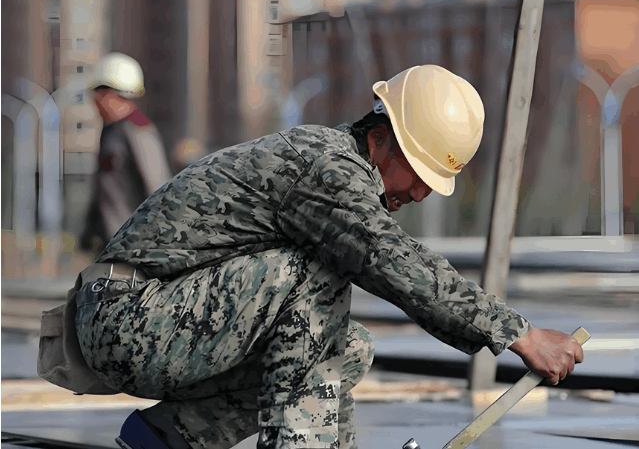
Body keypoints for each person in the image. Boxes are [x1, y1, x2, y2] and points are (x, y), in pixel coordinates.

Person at [40, 65, 583, 449]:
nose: (420, 194)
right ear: (385, 139)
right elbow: (393, 261)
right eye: (421, 174)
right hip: (129, 317)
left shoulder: (336, 167)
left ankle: (172, 435)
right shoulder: (328, 172)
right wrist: (519, 334)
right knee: (317, 274)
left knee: (348, 347)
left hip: (158, 319)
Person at [80, 52, 172, 254]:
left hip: (134, 246)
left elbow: (158, 188)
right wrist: (88, 234)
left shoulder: (138, 131)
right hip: (111, 243)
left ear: (109, 94)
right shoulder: (110, 132)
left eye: (97, 95)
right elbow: (104, 192)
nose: (94, 103)